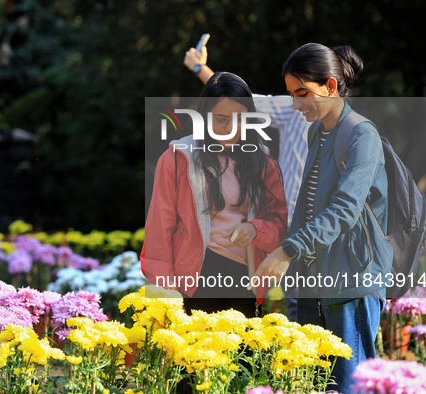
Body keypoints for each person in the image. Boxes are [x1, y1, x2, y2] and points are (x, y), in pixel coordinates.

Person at [253, 43, 392, 394]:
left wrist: (287, 250)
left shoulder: (363, 135)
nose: (296, 104)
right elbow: (306, 205)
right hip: (316, 281)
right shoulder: (318, 131)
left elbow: (345, 208)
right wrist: (285, 255)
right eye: (291, 95)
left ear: (330, 86)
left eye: (302, 93)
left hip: (353, 280)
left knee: (350, 384)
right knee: (320, 385)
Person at [141, 71, 287, 317]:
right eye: (221, 120)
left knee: (242, 353)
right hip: (194, 278)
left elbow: (279, 223)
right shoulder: (178, 158)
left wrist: (255, 229)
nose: (231, 129)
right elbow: (159, 229)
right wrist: (166, 291)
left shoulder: (264, 162)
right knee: (198, 354)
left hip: (245, 278)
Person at [184, 44, 306, 320]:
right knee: (298, 302)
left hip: (317, 228)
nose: (297, 99)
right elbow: (241, 100)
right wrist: (200, 69)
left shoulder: (351, 132)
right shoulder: (295, 108)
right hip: (287, 225)